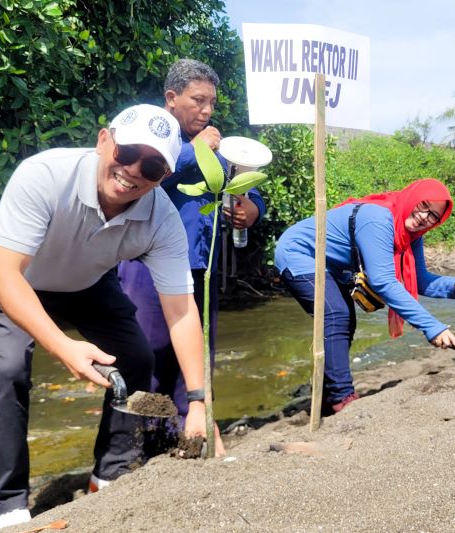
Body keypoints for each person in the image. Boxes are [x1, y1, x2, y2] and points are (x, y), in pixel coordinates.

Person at [0, 104, 208, 529]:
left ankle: (110, 474)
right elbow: (4, 277)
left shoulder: (162, 220)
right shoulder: (46, 175)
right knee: (9, 367)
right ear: (103, 141)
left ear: (163, 176)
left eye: (151, 166)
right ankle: (8, 506)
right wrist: (64, 347)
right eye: (126, 151)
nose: (132, 170)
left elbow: (181, 311)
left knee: (137, 359)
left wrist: (200, 400)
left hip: (85, 281)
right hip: (8, 271)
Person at [117, 59, 265, 450]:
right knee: (144, 356)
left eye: (212, 103)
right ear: (171, 98)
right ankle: (133, 447)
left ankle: (194, 431)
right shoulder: (151, 135)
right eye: (198, 100)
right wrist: (196, 149)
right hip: (144, 264)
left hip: (200, 267)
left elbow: (244, 185)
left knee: (197, 354)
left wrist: (252, 210)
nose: (207, 110)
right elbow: (143, 175)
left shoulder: (217, 148)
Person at [275, 179, 455, 413]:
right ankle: (342, 397)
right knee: (336, 314)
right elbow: (383, 281)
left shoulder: (411, 236)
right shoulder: (380, 219)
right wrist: (433, 327)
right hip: (299, 253)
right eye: (423, 205)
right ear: (412, 199)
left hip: (331, 266)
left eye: (433, 216)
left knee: (345, 320)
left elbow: (419, 280)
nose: (424, 217)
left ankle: (329, 396)